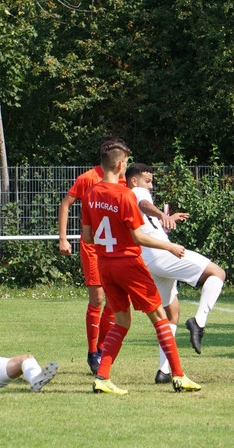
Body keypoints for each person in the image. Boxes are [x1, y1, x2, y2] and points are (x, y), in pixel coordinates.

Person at [81, 140, 200, 395]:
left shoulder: (90, 194)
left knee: (121, 321)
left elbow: (88, 237)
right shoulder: (125, 195)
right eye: (126, 162)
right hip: (128, 264)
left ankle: (102, 377)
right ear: (120, 165)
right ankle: (179, 376)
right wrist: (169, 246)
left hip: (105, 265)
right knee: (160, 317)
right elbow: (138, 237)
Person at [124, 163, 226, 382]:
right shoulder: (137, 192)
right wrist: (162, 214)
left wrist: (167, 219)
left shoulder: (126, 197)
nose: (150, 186)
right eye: (147, 181)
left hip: (150, 260)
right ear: (134, 180)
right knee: (217, 273)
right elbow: (144, 204)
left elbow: (145, 220)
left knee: (171, 315)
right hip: (162, 254)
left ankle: (164, 371)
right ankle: (198, 322)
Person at [57, 139, 130, 374]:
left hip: (116, 248)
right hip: (93, 247)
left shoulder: (124, 180)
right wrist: (63, 238)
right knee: (97, 299)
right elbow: (66, 204)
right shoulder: (88, 178)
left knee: (116, 300)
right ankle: (92, 353)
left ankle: (102, 346)